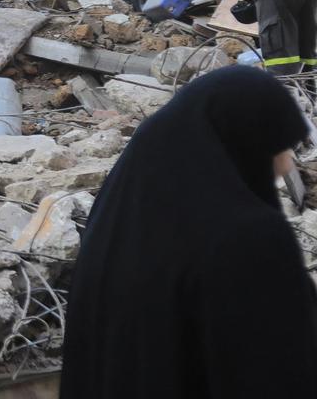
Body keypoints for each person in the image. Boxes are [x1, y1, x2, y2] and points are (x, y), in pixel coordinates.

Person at [61, 66, 317, 398]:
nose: (285, 166)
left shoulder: (114, 228)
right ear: (242, 140)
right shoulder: (246, 239)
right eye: (275, 146)